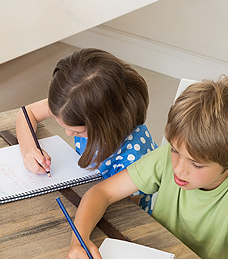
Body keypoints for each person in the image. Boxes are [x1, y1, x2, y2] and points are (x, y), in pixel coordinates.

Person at [67, 75, 228, 259]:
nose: (178, 169)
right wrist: (79, 241)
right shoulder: (164, 158)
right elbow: (102, 192)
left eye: (196, 164)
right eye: (174, 150)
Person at [15, 48, 157, 214]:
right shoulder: (75, 102)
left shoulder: (133, 158)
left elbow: (126, 214)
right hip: (83, 192)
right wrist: (29, 150)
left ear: (105, 124)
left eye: (77, 131)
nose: (68, 134)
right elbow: (26, 113)